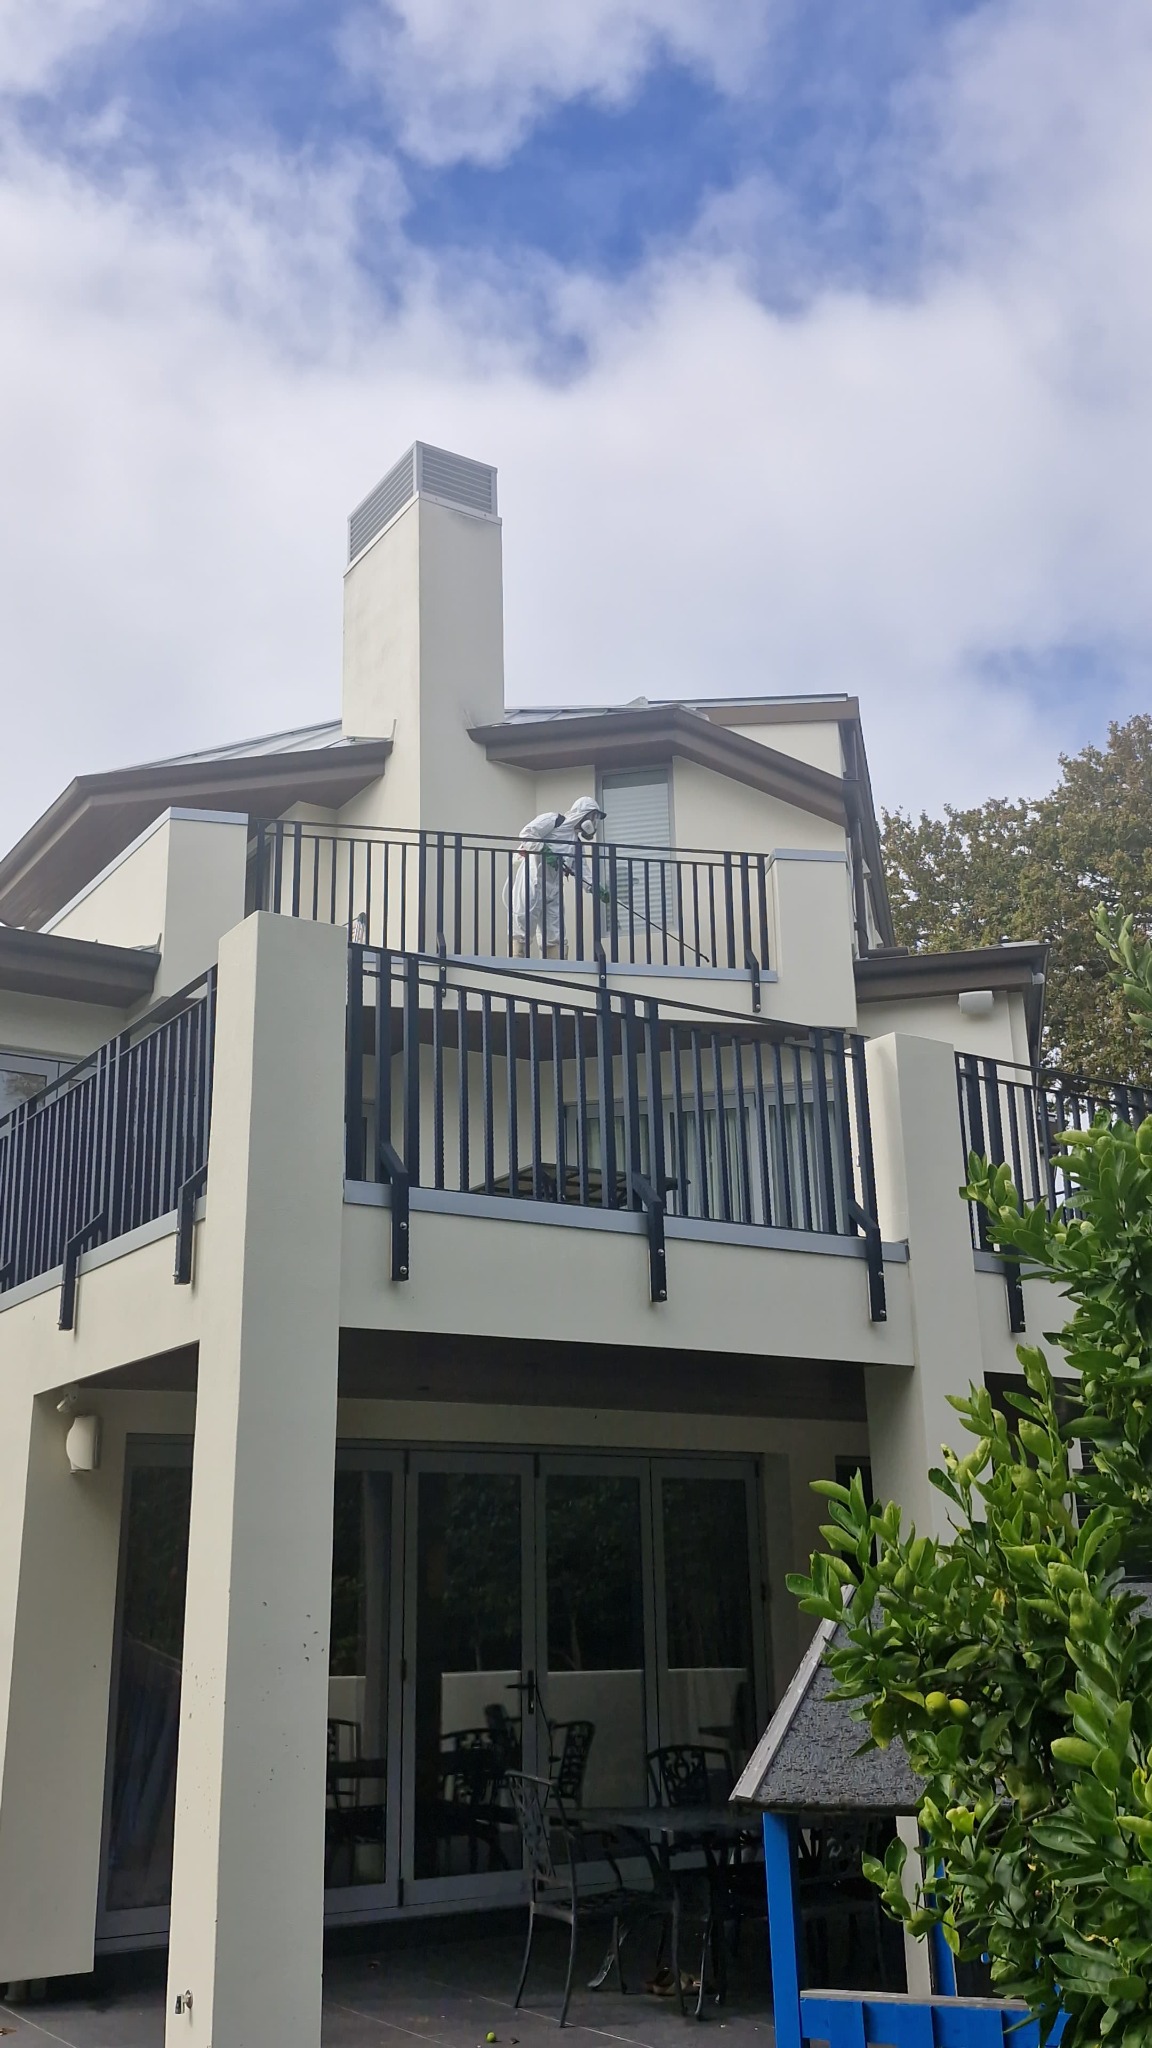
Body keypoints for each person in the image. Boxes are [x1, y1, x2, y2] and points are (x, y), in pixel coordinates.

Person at [508, 796, 606, 957]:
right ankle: (518, 962)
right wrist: (543, 849)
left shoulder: (576, 843)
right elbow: (527, 832)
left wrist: (595, 887)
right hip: (533, 878)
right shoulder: (554, 820)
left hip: (553, 887)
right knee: (524, 920)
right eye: (593, 817)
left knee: (555, 929)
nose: (594, 822)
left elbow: (582, 870)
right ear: (584, 814)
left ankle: (555, 967)